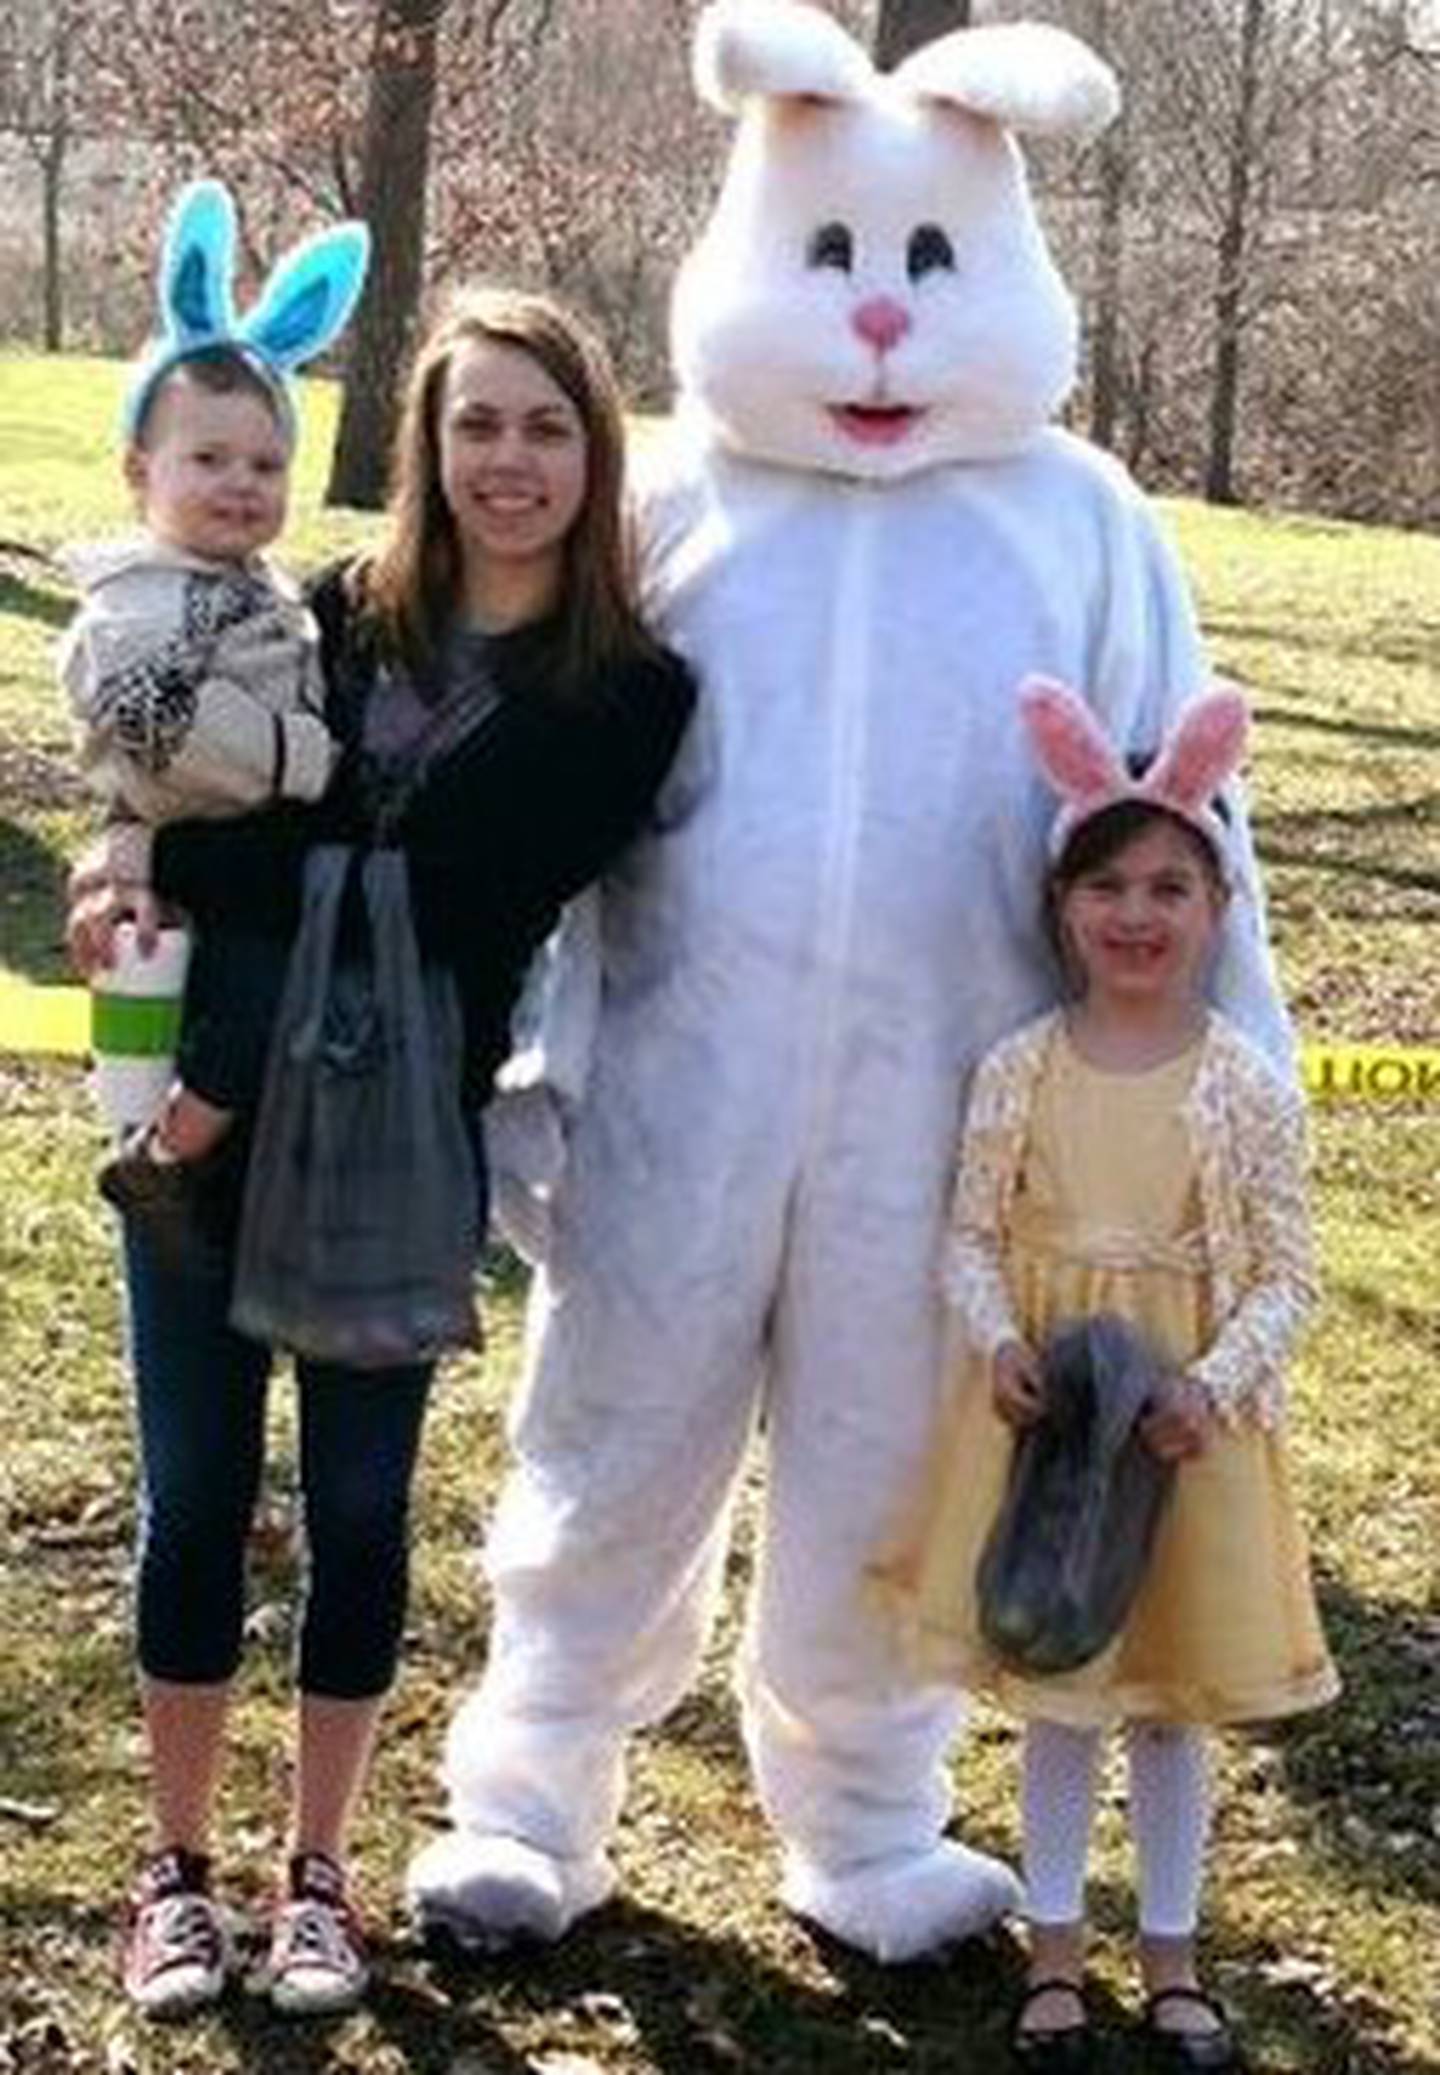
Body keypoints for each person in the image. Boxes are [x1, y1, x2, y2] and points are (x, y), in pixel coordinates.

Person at [409, 3, 1292, 1966]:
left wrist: (1246, 1095)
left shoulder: (1079, 520)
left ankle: (870, 1813)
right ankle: (529, 1789)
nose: (882, 317)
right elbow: (497, 757)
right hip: (676, 1081)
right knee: (614, 1431)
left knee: (889, 1458)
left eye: (930, 262)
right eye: (831, 255)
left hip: (950, 1104)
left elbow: (1185, 814)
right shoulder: (668, 504)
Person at [65, 284, 697, 2021]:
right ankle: (176, 1870)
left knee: (357, 1511)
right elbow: (169, 760)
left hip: (399, 1148)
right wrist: (119, 849)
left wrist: (182, 858)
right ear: (425, 441)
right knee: (196, 1496)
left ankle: (318, 1874)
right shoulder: (327, 610)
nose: (510, 460)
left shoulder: (627, 697)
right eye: (475, 421)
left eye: (546, 426)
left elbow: (451, 896)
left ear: (596, 454)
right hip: (202, 1137)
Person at [873, 677, 1337, 2069]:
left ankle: (1174, 1955)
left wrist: (1214, 1382)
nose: (1137, 913)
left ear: (1219, 904)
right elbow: (969, 1234)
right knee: (1064, 1684)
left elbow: (1287, 1276)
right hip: (1058, 1427)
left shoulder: (1243, 1083)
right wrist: (1002, 1341)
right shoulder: (1021, 1066)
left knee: (1170, 1708)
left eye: (1170, 887)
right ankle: (1058, 1948)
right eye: (1108, 886)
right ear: (1062, 904)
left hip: (1183, 1431)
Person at [59, 181, 369, 1226]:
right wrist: (299, 756)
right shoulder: (138, 600)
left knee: (234, 999)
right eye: (209, 459)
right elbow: (159, 717)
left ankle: (170, 1139)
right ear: (138, 471)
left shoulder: (261, 588)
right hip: (204, 849)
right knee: (247, 1001)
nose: (242, 483)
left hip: (224, 851)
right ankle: (165, 1148)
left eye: (267, 464)